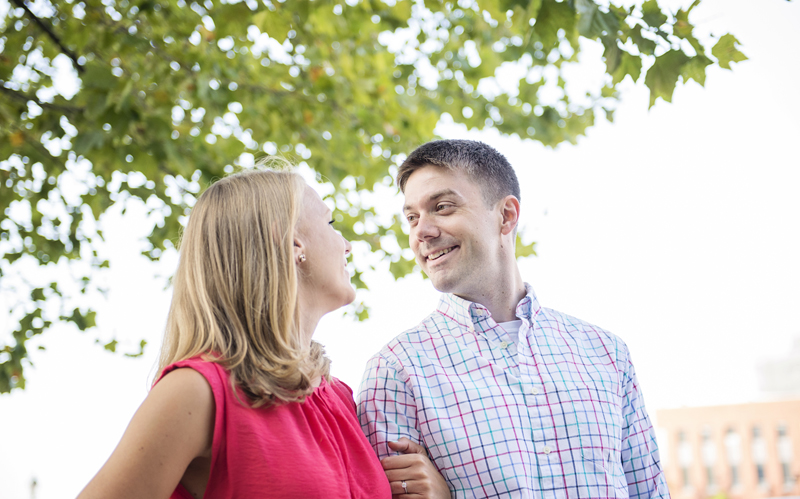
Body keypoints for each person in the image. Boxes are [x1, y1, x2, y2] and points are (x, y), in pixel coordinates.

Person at [78, 165, 447, 498]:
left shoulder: (337, 396)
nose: (346, 245)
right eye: (331, 224)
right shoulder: (198, 391)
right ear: (292, 243)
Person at [357, 140, 670, 498]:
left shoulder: (607, 353)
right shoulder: (395, 371)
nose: (421, 232)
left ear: (506, 216)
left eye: (441, 208)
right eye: (411, 217)